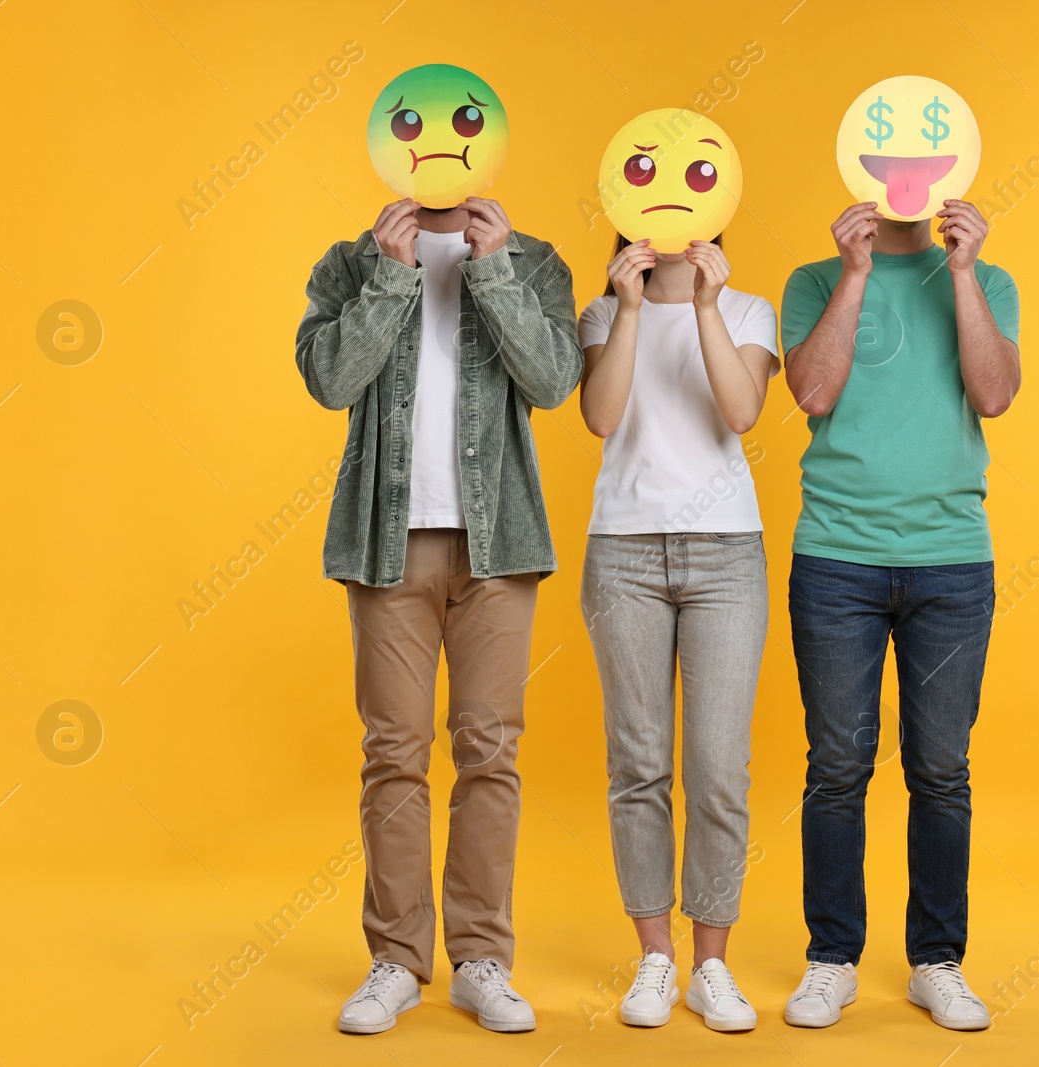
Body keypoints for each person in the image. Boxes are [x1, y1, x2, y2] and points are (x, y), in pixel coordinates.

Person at [294, 193, 583, 1035]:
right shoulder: (352, 261)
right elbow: (329, 380)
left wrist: (493, 273)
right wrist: (389, 278)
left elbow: (555, 381)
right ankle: (394, 959)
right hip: (387, 544)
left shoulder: (533, 261)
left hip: (499, 546)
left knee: (490, 750)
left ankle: (481, 958)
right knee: (394, 753)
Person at [778, 198, 1021, 1031]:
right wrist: (855, 275)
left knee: (941, 768)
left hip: (951, 560)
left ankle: (936, 961)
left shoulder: (987, 280)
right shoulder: (813, 280)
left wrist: (960, 273)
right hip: (837, 557)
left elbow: (994, 395)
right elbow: (811, 391)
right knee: (838, 764)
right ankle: (831, 958)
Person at [576, 233, 778, 1032]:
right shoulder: (600, 311)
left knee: (720, 766)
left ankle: (712, 964)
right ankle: (655, 956)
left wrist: (702, 304)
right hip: (623, 552)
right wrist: (628, 309)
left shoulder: (746, 307)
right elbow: (599, 416)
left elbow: (742, 411)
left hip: (727, 552)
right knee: (639, 762)